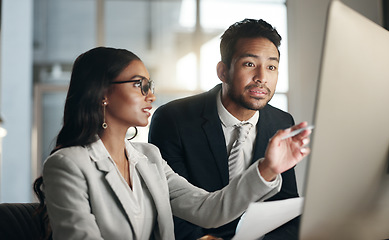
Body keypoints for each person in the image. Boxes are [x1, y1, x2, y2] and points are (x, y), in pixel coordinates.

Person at [33, 46, 311, 240]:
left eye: (150, 86)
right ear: (103, 93)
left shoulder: (148, 157)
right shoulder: (67, 165)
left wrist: (268, 168)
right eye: (138, 85)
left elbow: (208, 209)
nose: (150, 96)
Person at [149, 19, 302, 239]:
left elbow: (286, 207)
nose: (261, 77)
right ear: (223, 71)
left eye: (271, 67)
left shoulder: (281, 122)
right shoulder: (173, 119)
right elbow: (168, 203)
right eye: (249, 64)